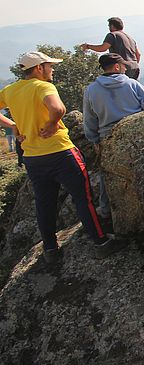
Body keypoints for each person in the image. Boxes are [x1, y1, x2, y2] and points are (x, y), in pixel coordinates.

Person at [0, 51, 127, 263]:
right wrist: (50, 124)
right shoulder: (43, 86)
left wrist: (13, 126)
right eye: (50, 65)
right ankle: (101, 243)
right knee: (82, 198)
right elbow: (58, 108)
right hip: (60, 152)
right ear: (39, 68)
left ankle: (50, 250)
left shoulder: (11, 90)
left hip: (33, 157)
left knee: (44, 203)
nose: (52, 69)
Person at [83, 53, 144, 221]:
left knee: (107, 175)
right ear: (116, 67)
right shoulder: (132, 84)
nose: (125, 68)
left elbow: (89, 120)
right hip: (136, 134)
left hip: (108, 138)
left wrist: (95, 140)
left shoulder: (91, 90)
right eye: (123, 66)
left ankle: (106, 210)